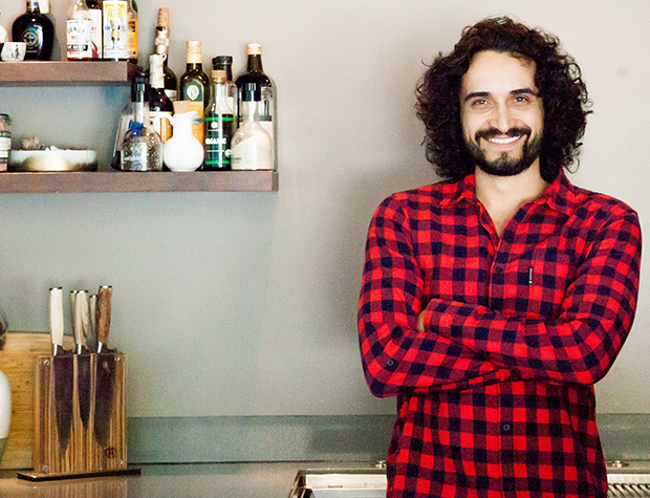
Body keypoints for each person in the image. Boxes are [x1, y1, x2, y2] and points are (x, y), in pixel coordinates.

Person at [357, 17, 642, 498]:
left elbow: (584, 355)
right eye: (480, 101)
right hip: (431, 487)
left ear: (550, 110)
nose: (502, 120)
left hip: (559, 487)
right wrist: (543, 354)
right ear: (456, 114)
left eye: (520, 97)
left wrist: (442, 316)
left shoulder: (606, 222)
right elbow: (386, 363)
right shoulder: (402, 217)